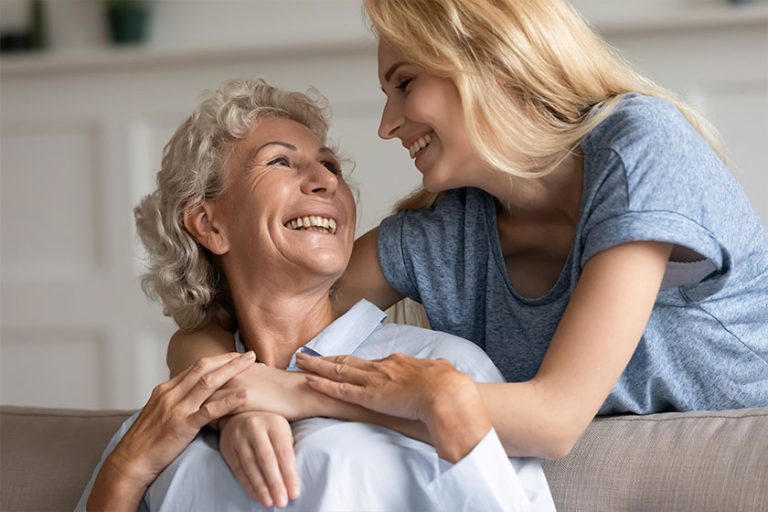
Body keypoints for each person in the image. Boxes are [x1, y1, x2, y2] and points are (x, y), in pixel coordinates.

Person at [167, 0, 768, 502]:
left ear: (492, 60)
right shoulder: (447, 234)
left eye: (404, 83)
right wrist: (242, 407)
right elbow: (218, 322)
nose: (386, 124)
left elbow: (556, 420)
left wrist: (295, 394)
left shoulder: (639, 146)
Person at [76, 77, 554, 511]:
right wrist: (127, 469)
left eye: (330, 165)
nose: (326, 179)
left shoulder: (442, 369)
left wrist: (447, 405)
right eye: (281, 161)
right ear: (209, 224)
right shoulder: (172, 412)